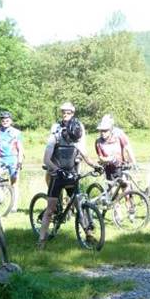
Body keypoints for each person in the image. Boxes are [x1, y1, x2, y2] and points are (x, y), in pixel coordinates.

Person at [38, 103, 100, 248]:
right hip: (57, 177)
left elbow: (85, 155)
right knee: (50, 210)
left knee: (79, 206)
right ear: (66, 133)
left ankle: (88, 234)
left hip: (71, 175)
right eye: (71, 138)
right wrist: (57, 170)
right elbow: (46, 159)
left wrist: (95, 166)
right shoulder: (55, 137)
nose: (73, 141)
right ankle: (41, 241)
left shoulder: (75, 136)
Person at [0, 110, 24, 209]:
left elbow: (20, 148)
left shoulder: (16, 132)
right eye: (3, 120)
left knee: (14, 182)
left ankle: (14, 205)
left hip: (13, 159)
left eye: (7, 120)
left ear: (11, 121)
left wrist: (20, 162)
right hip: (0, 159)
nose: (5, 122)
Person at [93, 114, 135, 181]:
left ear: (110, 129)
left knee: (124, 184)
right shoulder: (98, 142)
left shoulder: (119, 135)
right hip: (109, 168)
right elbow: (100, 157)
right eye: (101, 130)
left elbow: (127, 148)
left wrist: (133, 162)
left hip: (121, 166)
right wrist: (109, 159)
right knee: (111, 186)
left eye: (105, 130)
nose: (103, 133)